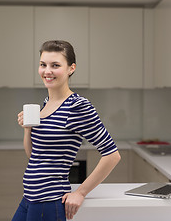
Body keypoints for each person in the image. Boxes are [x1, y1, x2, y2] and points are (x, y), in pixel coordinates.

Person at [14, 40, 121, 221]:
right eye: (43, 65)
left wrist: (80, 192)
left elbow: (112, 155)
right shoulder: (46, 104)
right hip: (30, 198)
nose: (47, 71)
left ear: (71, 68)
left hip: (49, 202)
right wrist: (27, 129)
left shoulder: (77, 106)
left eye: (55, 65)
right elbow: (34, 155)